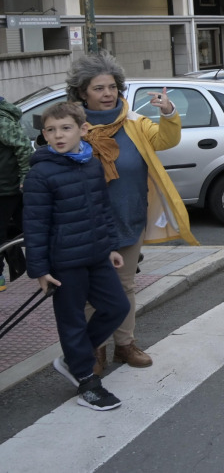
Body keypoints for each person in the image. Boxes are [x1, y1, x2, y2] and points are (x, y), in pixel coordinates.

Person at [68, 53, 195, 374]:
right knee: (89, 291)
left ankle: (124, 345)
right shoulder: (74, 128)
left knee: (124, 286)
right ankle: (95, 349)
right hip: (87, 224)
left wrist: (168, 112)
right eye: (98, 88)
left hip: (128, 218)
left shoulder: (134, 123)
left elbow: (167, 139)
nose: (107, 93)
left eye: (111, 86)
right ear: (82, 92)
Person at [24, 102, 130, 411]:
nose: (58, 135)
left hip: (96, 254)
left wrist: (110, 246)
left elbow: (101, 209)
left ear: (82, 129)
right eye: (51, 130)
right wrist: (40, 270)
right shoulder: (41, 174)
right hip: (64, 262)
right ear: (44, 134)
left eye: (65, 128)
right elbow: (35, 225)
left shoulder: (91, 163)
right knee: (71, 321)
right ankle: (86, 379)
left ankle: (74, 358)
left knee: (117, 306)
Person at [0, 95, 33, 288]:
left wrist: (24, 179)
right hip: (8, 186)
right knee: (23, 228)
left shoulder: (2, 122)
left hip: (6, 188)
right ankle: (20, 266)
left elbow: (24, 148)